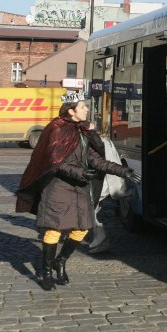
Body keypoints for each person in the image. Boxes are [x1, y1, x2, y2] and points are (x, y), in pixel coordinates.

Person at [15, 91, 141, 291]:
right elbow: (56, 162)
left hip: (79, 188)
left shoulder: (81, 132)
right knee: (54, 229)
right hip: (58, 187)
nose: (87, 109)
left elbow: (95, 160)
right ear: (71, 111)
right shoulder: (56, 129)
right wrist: (80, 173)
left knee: (82, 228)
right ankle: (46, 271)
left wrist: (123, 171)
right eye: (83, 107)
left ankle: (61, 261)